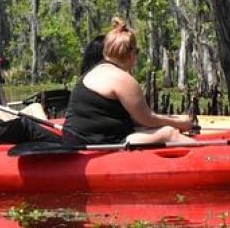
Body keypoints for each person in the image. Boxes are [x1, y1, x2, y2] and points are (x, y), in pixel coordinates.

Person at [63, 18, 193, 146]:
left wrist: (173, 119)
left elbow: (136, 120)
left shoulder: (91, 73)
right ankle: (211, 157)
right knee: (169, 133)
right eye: (136, 52)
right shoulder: (122, 79)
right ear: (131, 54)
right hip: (100, 143)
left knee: (151, 130)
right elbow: (147, 119)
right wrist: (181, 123)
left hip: (78, 139)